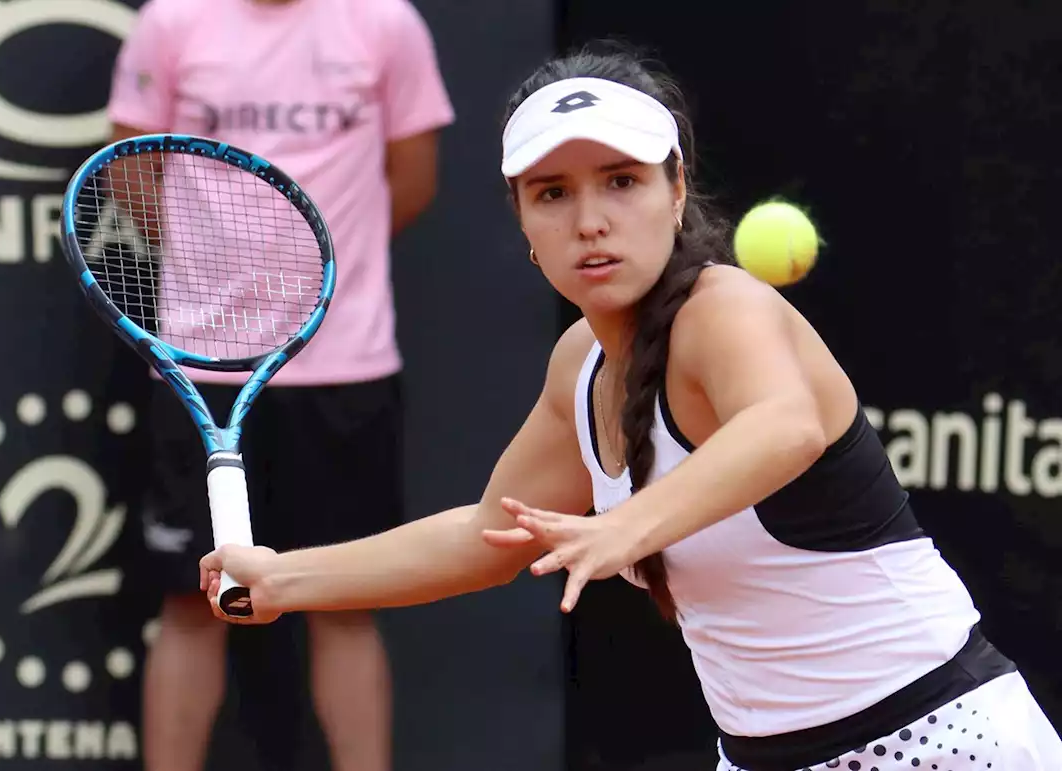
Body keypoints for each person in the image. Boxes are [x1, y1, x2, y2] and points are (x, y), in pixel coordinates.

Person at [198, 40, 1062, 771]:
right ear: (525, 228)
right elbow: (485, 536)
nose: (591, 220)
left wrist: (626, 525)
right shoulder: (580, 364)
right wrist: (285, 576)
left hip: (942, 738)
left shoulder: (725, 306)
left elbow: (785, 425)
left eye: (621, 181)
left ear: (676, 190)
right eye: (553, 194)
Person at [103, 1, 455, 770]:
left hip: (346, 364)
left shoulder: (385, 24)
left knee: (346, 604)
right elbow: (127, 170)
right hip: (200, 366)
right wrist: (215, 262)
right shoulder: (172, 22)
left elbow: (414, 179)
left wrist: (310, 277)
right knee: (191, 605)